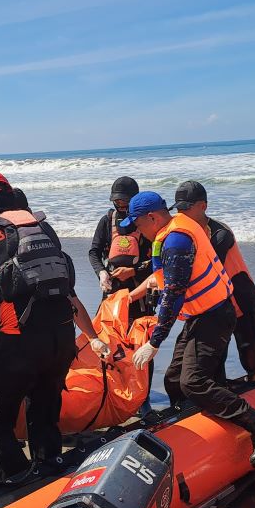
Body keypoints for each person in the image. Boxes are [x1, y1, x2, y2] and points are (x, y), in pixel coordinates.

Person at [0, 169, 108, 481]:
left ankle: (19, 478)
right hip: (62, 337)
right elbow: (66, 286)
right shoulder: (44, 227)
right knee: (43, 411)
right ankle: (49, 466)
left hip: (20, 343)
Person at [125, 192, 255, 466]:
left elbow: (174, 295)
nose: (138, 231)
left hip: (214, 317)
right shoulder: (177, 226)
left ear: (152, 217)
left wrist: (154, 342)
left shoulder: (176, 240)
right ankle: (193, 425)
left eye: (139, 224)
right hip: (201, 316)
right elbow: (168, 281)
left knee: (194, 381)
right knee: (174, 378)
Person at [172, 180, 255, 380]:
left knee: (249, 354)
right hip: (215, 305)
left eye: (186, 209)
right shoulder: (186, 233)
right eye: (178, 209)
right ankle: (219, 392)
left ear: (202, 206)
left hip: (240, 299)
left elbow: (205, 268)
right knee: (216, 358)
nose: (181, 215)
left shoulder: (219, 234)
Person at [88, 176, 157, 414]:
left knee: (142, 342)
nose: (120, 205)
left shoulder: (146, 222)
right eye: (116, 201)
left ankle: (143, 397)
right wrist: (101, 274)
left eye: (124, 201)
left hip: (142, 292)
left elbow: (158, 263)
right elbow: (94, 252)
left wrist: (134, 271)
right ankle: (115, 390)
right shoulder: (107, 221)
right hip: (113, 293)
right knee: (109, 340)